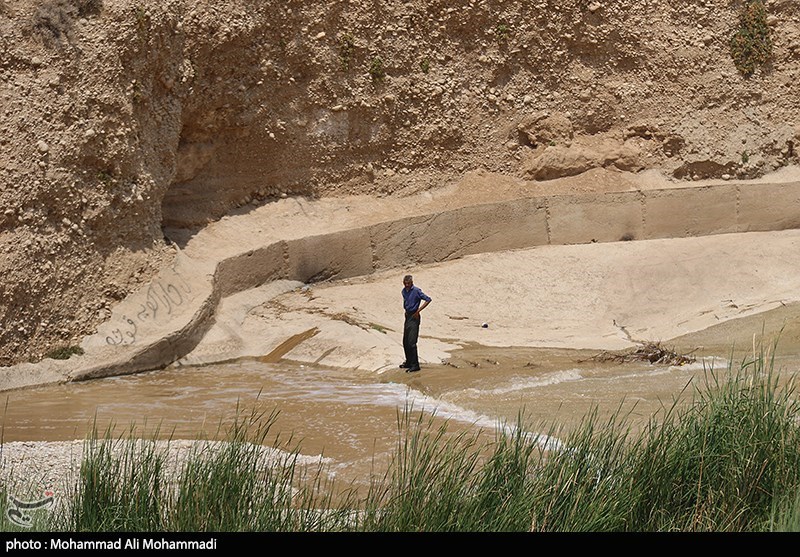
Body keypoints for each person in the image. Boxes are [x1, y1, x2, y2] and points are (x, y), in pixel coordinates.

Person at [400, 274, 431, 373]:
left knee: (412, 342)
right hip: (407, 316)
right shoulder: (404, 291)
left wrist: (418, 311)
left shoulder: (416, 291)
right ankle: (408, 361)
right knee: (405, 341)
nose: (407, 285)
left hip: (414, 316)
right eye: (405, 283)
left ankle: (415, 365)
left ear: (412, 283)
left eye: (408, 283)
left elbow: (428, 299)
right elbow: (406, 302)